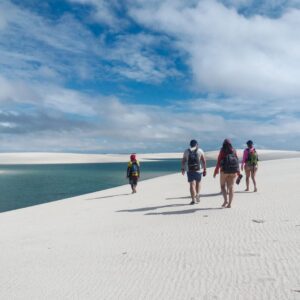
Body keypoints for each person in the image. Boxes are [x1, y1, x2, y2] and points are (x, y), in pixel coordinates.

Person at [213, 139, 240, 208]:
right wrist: (238, 172)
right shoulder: (234, 150)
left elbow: (219, 161)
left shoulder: (222, 150)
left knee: (222, 186)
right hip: (233, 171)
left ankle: (225, 201)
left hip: (224, 171)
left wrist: (216, 171)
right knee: (231, 187)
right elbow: (237, 161)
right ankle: (229, 204)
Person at [181, 140, 207, 205]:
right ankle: (197, 194)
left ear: (190, 145)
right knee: (198, 182)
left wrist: (183, 169)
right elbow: (203, 161)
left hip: (190, 170)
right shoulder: (200, 150)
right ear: (196, 144)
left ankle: (193, 200)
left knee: (192, 185)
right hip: (198, 170)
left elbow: (183, 161)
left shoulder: (186, 151)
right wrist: (205, 169)